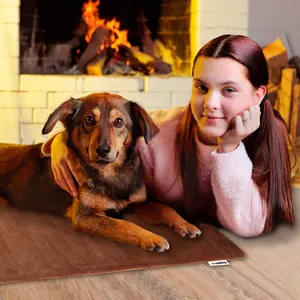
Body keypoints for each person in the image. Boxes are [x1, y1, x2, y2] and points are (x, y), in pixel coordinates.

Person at [42, 34, 295, 237]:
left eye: (228, 89)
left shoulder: (271, 137)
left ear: (258, 95)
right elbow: (110, 137)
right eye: (201, 87)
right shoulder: (162, 131)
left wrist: (230, 148)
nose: (210, 103)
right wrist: (58, 143)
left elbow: (248, 226)